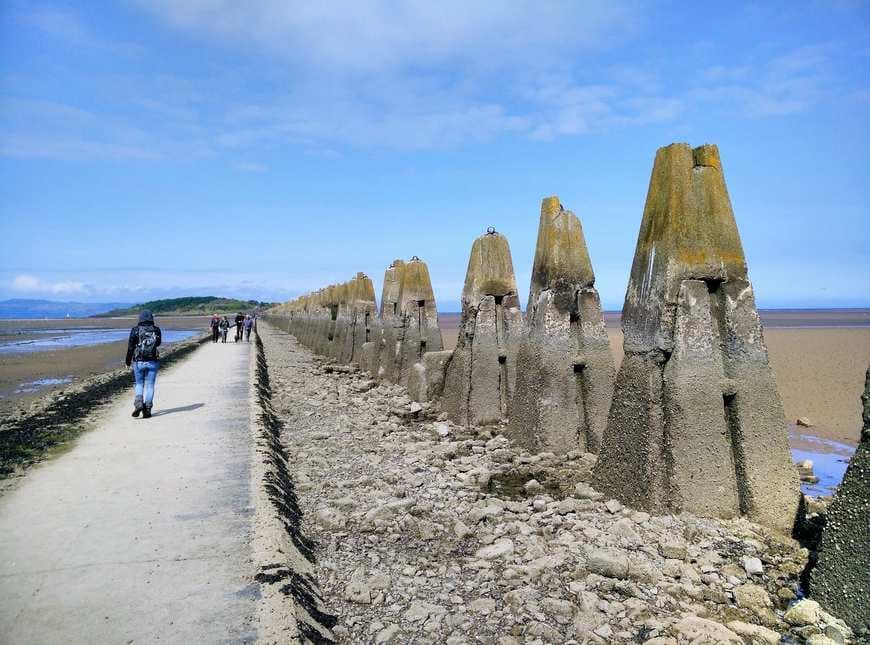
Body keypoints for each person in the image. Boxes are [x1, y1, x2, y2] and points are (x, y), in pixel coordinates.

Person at [125, 309, 162, 419]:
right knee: (150, 385)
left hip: (139, 362)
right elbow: (158, 343)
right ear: (151, 318)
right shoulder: (156, 330)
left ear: (140, 318)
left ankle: (138, 404)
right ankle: (148, 409)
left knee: (139, 384)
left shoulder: (135, 330)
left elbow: (131, 347)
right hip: (153, 361)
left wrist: (127, 362)